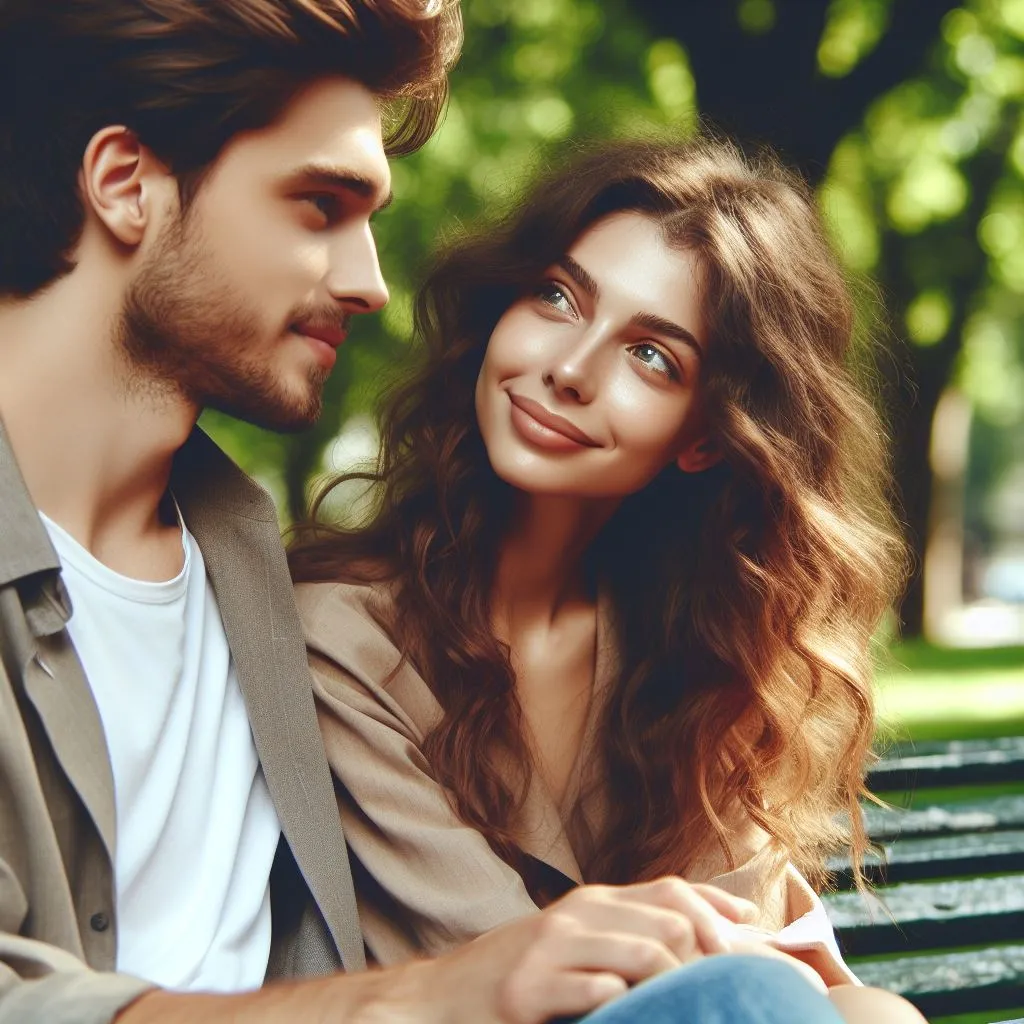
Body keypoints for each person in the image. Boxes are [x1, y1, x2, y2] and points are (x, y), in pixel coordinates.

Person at [0, 2, 858, 1023]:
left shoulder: (239, 574)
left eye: (651, 353)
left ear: (707, 434)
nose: (371, 283)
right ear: (124, 183)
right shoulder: (328, 629)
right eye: (320, 205)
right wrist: (426, 993)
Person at [290, 138, 923, 1022]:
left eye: (651, 356)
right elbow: (507, 977)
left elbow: (757, 952)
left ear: (705, 439)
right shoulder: (343, 641)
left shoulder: (696, 649)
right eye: (557, 297)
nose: (569, 370)